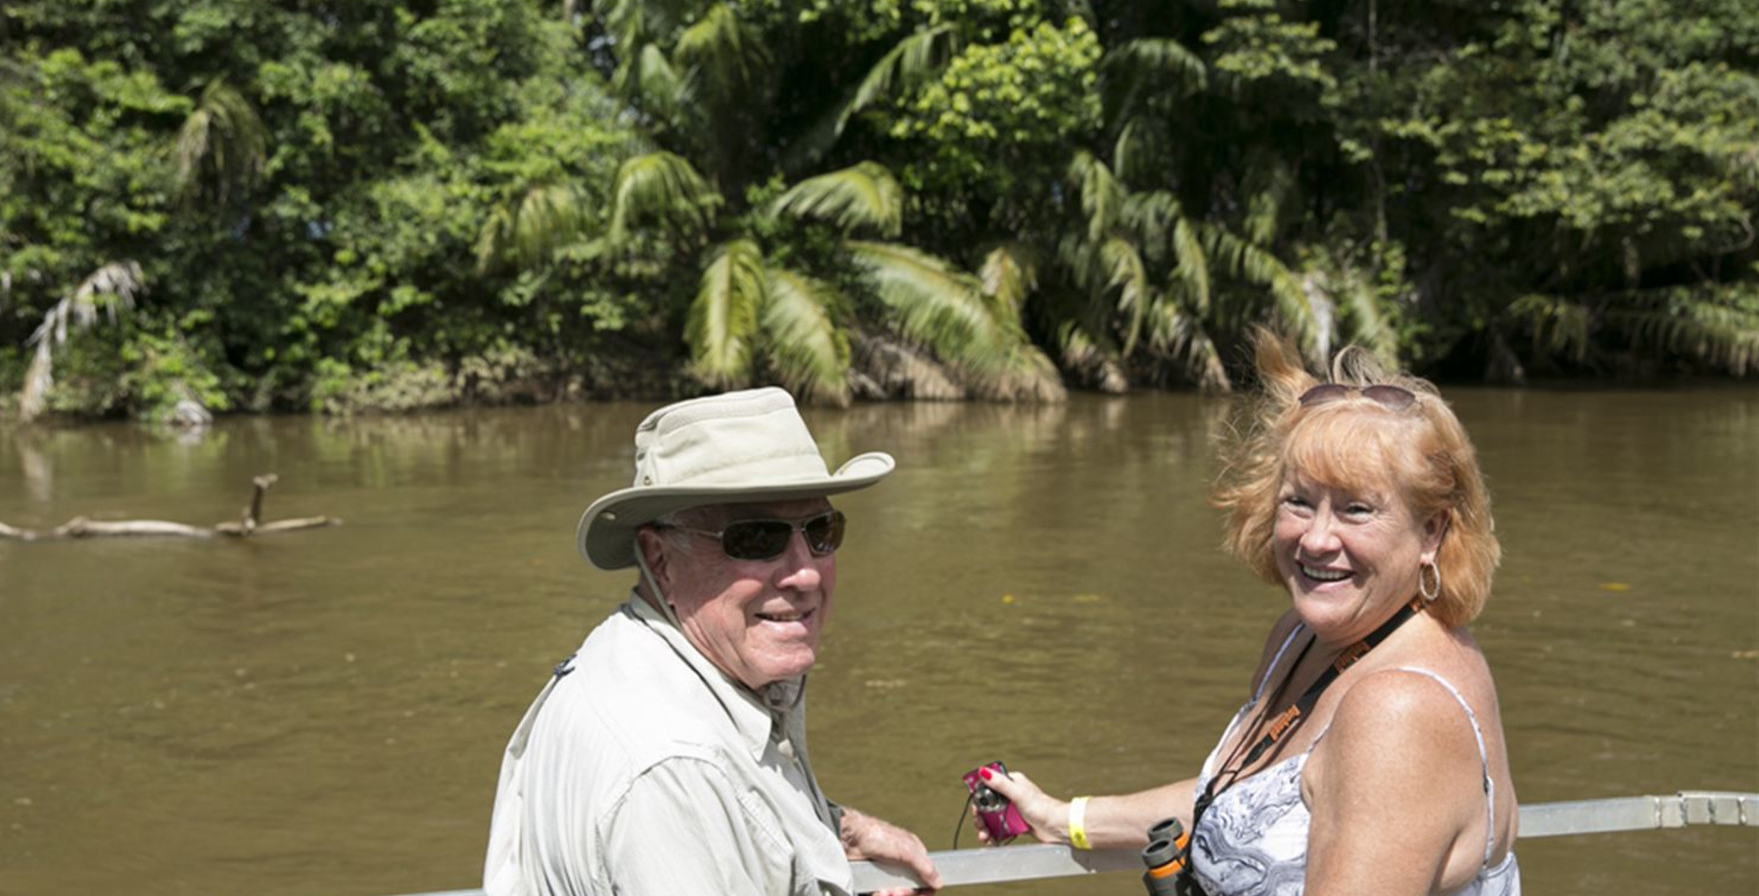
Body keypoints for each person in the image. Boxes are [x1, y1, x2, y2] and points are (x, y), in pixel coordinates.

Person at [978, 330, 1520, 896]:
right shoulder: (1304, 639)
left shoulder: (1398, 713)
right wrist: (1064, 819)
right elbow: (1238, 800)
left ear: (1431, 531)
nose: (1315, 539)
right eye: (1299, 502)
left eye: (1356, 510)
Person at [484, 386, 942, 896]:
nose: (805, 574)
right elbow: (690, 804)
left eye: (821, 530)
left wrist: (835, 830)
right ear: (659, 559)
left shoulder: (625, 655)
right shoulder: (674, 772)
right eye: (756, 539)